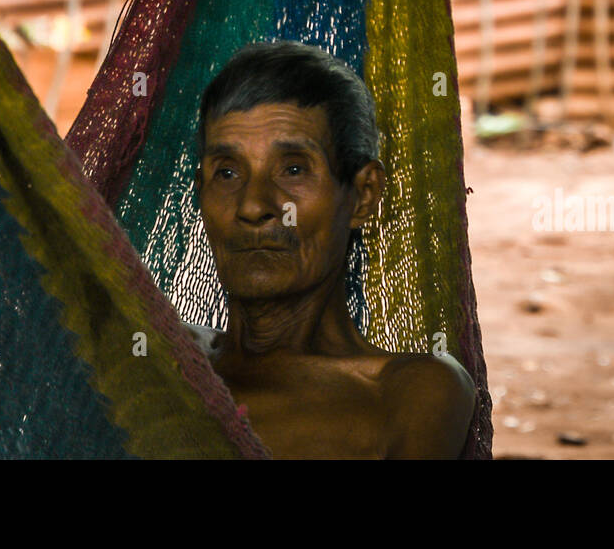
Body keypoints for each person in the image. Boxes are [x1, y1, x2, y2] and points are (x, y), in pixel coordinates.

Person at [188, 39, 475, 459]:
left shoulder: (406, 394)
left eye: (293, 169)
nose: (252, 206)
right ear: (200, 193)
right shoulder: (164, 357)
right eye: (227, 173)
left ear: (362, 195)